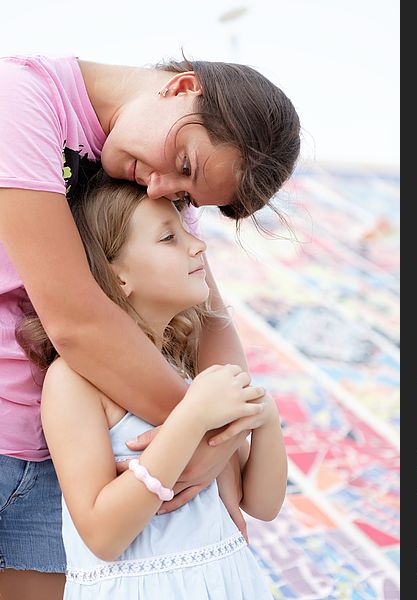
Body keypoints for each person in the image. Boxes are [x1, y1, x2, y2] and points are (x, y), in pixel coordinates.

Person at [0, 53, 300, 598]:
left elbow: (213, 319)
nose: (165, 189)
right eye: (183, 164)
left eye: (187, 197)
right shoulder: (19, 98)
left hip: (52, 458)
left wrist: (232, 430)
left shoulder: (154, 181)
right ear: (182, 87)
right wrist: (206, 437)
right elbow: (77, 322)